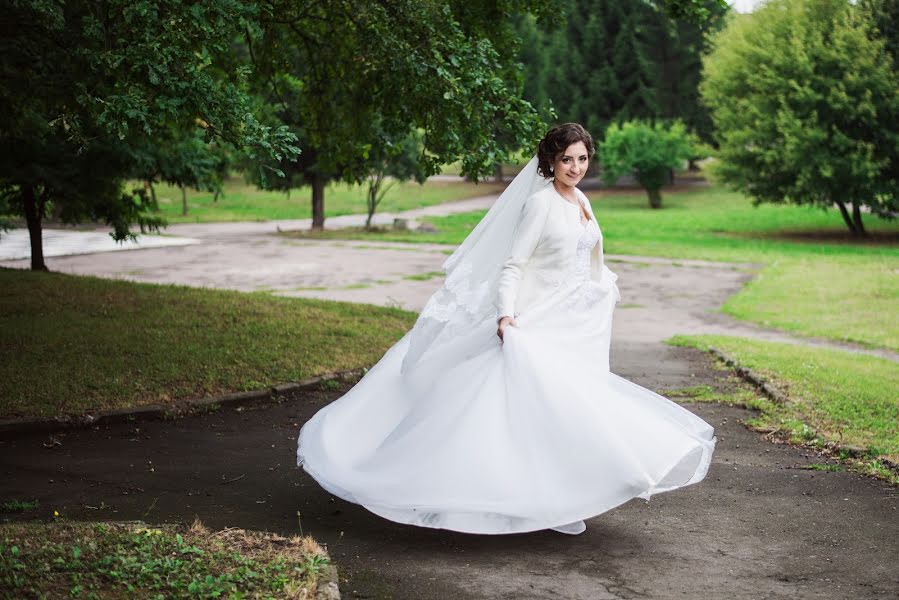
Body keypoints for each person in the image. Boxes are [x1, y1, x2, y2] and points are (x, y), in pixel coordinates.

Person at [297, 123, 716, 536]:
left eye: (582, 159)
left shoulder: (581, 199)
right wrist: (505, 314)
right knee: (519, 406)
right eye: (566, 159)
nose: (575, 167)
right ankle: (472, 490)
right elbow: (512, 265)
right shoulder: (540, 204)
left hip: (571, 321)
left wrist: (600, 284)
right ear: (550, 161)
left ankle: (555, 496)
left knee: (563, 409)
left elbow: (585, 254)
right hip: (534, 318)